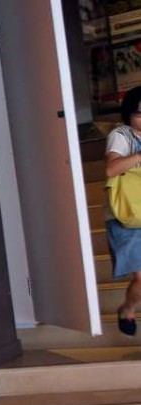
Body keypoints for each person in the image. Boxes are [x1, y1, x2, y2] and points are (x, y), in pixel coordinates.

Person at [105, 86, 141, 336]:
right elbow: (111, 169)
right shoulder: (121, 135)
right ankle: (128, 308)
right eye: (139, 113)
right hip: (126, 214)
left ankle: (128, 308)